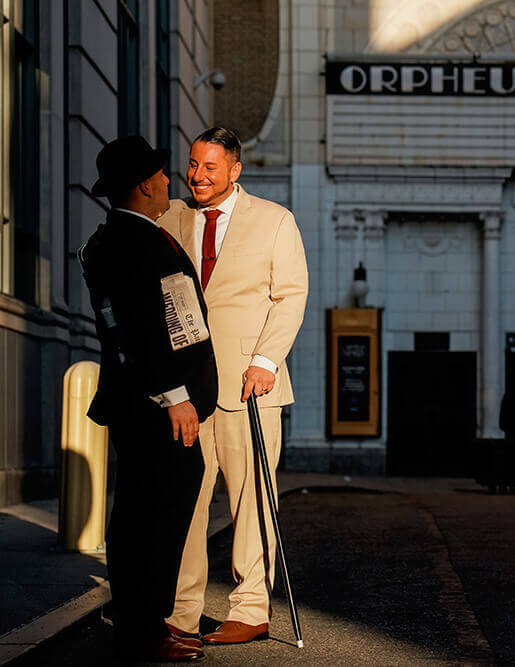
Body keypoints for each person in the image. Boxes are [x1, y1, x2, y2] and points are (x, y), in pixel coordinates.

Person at [159, 127, 308, 645]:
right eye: (194, 165)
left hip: (251, 385)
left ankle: (250, 608)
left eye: (210, 168)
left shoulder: (274, 221)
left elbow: (290, 295)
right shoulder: (170, 219)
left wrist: (266, 360)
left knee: (251, 501)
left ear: (235, 170)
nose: (197, 176)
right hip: (186, 391)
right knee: (187, 502)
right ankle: (180, 612)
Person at [80, 136, 218, 662]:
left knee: (151, 509)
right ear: (143, 185)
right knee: (149, 516)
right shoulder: (133, 240)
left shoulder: (133, 235)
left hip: (155, 404)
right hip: (158, 407)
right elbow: (143, 330)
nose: (168, 181)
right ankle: (143, 630)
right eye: (161, 174)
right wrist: (177, 395)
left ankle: (148, 622)